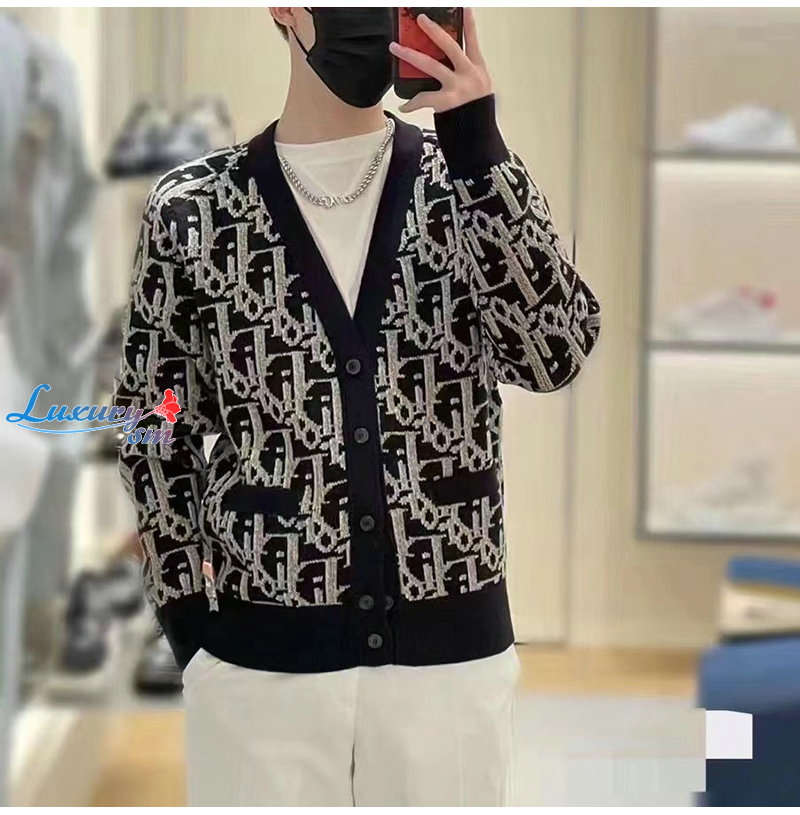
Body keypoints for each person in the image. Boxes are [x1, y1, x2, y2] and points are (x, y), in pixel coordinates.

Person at [113, 7, 601, 807]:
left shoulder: (465, 183)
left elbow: (556, 354)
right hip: (257, 665)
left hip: (449, 663)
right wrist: (189, 622)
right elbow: (151, 427)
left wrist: (481, 150)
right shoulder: (194, 208)